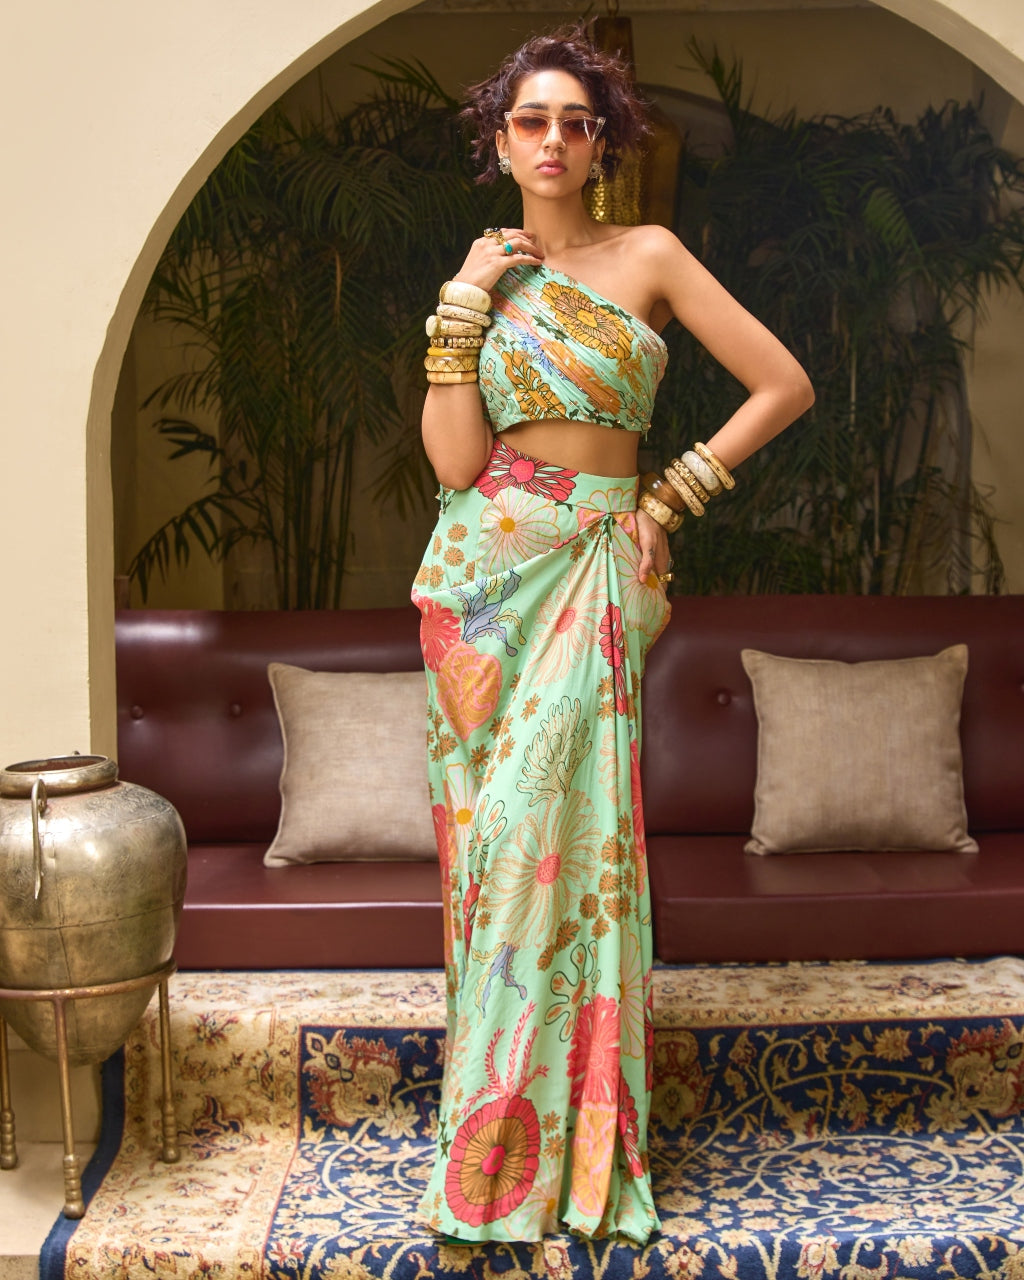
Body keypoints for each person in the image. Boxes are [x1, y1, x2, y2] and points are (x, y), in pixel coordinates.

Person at [411, 26, 814, 1245]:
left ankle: (560, 1148)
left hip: (593, 569)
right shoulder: (485, 275)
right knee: (493, 857)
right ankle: (492, 1144)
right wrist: (462, 303)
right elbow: (454, 464)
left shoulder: (649, 255)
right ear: (500, 142)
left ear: (602, 144)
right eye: (530, 120)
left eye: (573, 122)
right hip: (481, 582)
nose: (551, 139)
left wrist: (670, 495)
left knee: (559, 847)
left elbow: (782, 384)